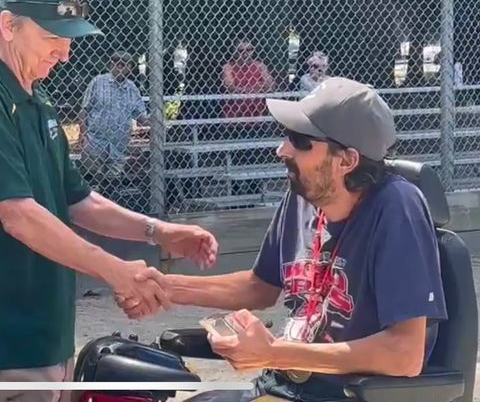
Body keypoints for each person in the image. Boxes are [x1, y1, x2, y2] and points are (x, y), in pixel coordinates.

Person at [120, 77, 447, 402]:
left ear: (346, 161)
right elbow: (259, 288)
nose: (282, 149)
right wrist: (164, 287)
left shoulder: (396, 208)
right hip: (284, 388)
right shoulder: (305, 197)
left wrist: (275, 353)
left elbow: (404, 354)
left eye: (300, 141)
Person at [0, 0, 218, 401]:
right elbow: (17, 214)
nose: (65, 54)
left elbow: (77, 199)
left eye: (68, 40)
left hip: (46, 335)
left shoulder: (36, 101)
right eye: (52, 38)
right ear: (8, 25)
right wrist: (117, 271)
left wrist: (157, 231)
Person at [79, 50, 149, 187]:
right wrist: (83, 136)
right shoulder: (98, 82)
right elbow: (84, 110)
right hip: (95, 141)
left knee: (112, 184)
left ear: (130, 67)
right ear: (111, 65)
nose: (120, 68)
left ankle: (110, 202)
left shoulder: (131, 88)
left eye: (124, 65)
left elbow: (140, 115)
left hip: (119, 145)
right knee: (92, 181)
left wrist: (155, 122)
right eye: (117, 64)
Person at [222, 38, 274, 118]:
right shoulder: (229, 67)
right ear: (235, 53)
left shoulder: (260, 66)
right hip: (234, 116)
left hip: (258, 116)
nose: (245, 54)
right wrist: (258, 87)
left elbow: (270, 86)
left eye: (249, 50)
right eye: (241, 51)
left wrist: (242, 89)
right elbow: (231, 88)